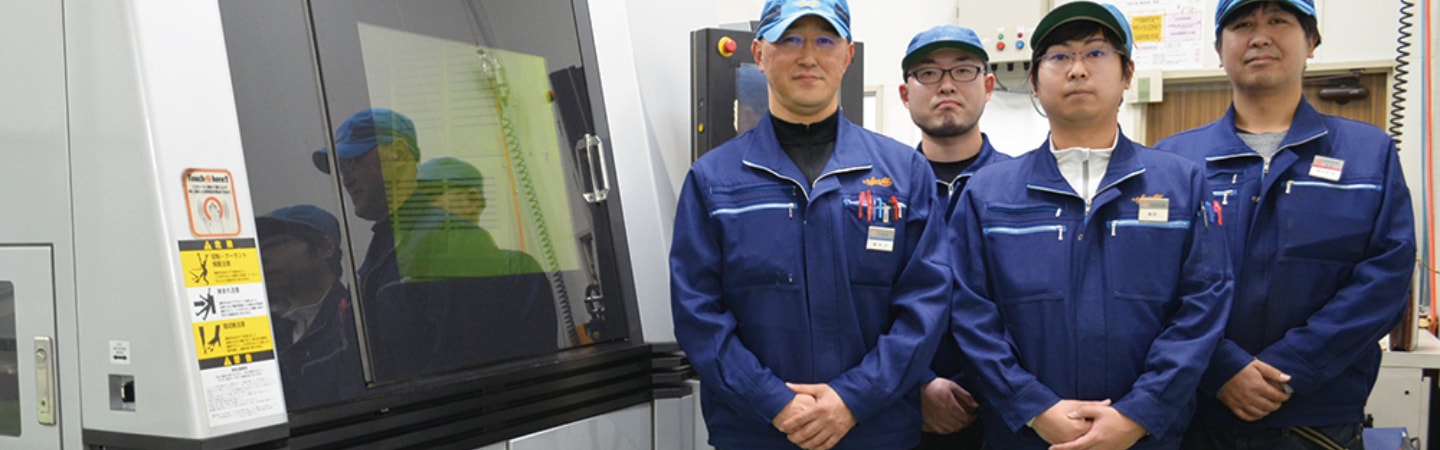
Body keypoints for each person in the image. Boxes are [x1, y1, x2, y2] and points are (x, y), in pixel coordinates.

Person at [669, 0, 951, 448]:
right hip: (758, 433)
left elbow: (926, 306)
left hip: (874, 432)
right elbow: (698, 316)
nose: (808, 56)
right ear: (759, 54)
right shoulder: (713, 181)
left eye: (824, 40)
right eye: (789, 40)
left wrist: (853, 399)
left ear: (848, 55)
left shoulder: (904, 175)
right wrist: (773, 402)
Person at [949, 3, 1232, 449]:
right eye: (1059, 56)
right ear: (1034, 81)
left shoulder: (1181, 184)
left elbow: (1203, 306)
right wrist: (1034, 407)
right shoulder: (988, 193)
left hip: (1145, 439)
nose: (1077, 69)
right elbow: (970, 313)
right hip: (1025, 437)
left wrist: (1139, 413)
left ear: (1127, 74)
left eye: (1096, 53)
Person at [1155, 1, 1415, 448]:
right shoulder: (1174, 161)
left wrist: (1292, 368)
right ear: (1219, 49)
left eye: (1278, 20)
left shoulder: (1368, 153)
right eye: (1242, 24)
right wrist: (1222, 367)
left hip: (1317, 422)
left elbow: (1385, 281)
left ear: (1311, 42)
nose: (1260, 36)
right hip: (1197, 414)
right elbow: (1151, 280)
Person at [898, 24, 1011, 450]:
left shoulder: (1022, 189)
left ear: (988, 86)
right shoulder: (882, 191)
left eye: (963, 70)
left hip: (1006, 411)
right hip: (898, 409)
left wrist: (978, 386)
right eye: (928, 73)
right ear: (905, 94)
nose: (946, 85)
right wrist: (918, 384)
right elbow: (866, 306)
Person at [257, 204, 363, 410]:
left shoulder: (356, 322)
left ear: (326, 248)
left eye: (278, 245)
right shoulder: (267, 335)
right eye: (258, 249)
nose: (262, 257)